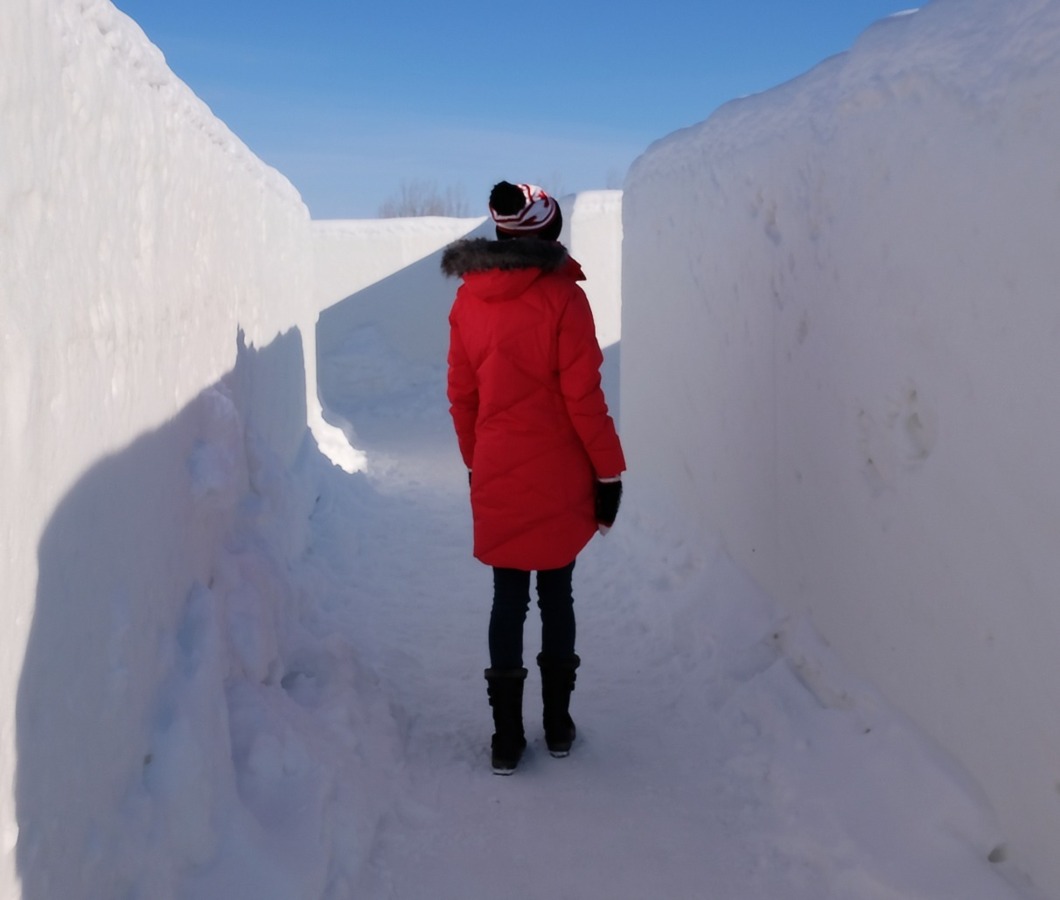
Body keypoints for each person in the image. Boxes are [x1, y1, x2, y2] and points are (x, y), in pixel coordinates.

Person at [442, 181, 626, 774]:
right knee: (556, 594)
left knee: (507, 599)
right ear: (547, 234)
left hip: (497, 465)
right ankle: (557, 725)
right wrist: (608, 472)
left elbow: (461, 395)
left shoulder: (467, 301)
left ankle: (504, 738)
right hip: (559, 470)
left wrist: (478, 462)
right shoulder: (564, 301)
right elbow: (584, 399)